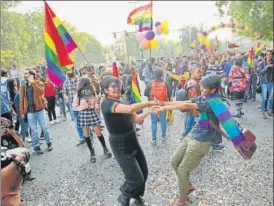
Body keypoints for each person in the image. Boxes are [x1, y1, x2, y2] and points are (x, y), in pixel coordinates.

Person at [158, 75, 225, 206]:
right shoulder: (206, 96)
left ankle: (182, 201)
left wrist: (164, 108)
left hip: (202, 141)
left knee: (183, 170)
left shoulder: (214, 101)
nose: (200, 88)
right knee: (174, 161)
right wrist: (164, 103)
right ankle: (187, 186)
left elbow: (188, 104)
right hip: (193, 133)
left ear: (212, 90)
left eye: (203, 87)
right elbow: (187, 102)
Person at [100, 76, 160, 206]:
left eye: (117, 85)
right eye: (112, 86)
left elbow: (136, 119)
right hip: (119, 143)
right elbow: (129, 110)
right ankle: (124, 196)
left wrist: (150, 111)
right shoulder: (106, 104)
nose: (116, 88)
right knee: (134, 178)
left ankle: (136, 196)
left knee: (144, 172)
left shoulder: (123, 101)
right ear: (106, 89)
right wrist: (149, 103)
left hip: (132, 138)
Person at [73, 76, 111, 163]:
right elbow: (74, 107)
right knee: (86, 134)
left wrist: (96, 105)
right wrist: (83, 106)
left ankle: (105, 148)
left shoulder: (92, 92)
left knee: (98, 132)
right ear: (84, 84)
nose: (90, 84)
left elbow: (96, 103)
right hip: (83, 114)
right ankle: (92, 152)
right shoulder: (78, 94)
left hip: (92, 113)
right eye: (89, 83)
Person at [19, 69, 53, 154]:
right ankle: (36, 146)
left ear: (32, 74)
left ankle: (49, 143)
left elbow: (41, 92)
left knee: (44, 128)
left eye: (27, 73)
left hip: (39, 109)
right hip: (30, 111)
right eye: (24, 74)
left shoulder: (38, 83)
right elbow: (21, 99)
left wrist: (33, 83)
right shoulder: (23, 85)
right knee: (33, 130)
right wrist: (22, 112)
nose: (25, 75)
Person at [144, 69, 171, 144]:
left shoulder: (151, 83)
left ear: (154, 74)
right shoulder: (165, 83)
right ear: (162, 74)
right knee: (163, 121)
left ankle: (154, 139)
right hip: (163, 104)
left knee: (154, 122)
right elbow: (169, 94)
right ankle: (163, 137)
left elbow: (145, 93)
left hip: (153, 104)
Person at [258, 49, 273, 118]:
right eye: (267, 54)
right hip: (264, 83)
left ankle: (270, 110)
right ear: (265, 55)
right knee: (264, 98)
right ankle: (263, 111)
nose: (269, 56)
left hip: (272, 82)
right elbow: (260, 72)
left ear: (272, 55)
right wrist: (266, 67)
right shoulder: (261, 63)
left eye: (270, 54)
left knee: (271, 97)